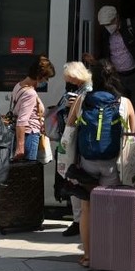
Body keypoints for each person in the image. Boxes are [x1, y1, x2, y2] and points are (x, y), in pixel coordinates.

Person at [67, 59, 135, 268]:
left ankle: (88, 256)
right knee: (110, 206)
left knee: (87, 207)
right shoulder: (124, 102)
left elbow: (70, 126)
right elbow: (132, 135)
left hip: (87, 161)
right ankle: (109, 252)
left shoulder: (82, 100)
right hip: (111, 161)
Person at [88, 5, 135, 161]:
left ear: (117, 18)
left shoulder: (133, 27)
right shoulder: (106, 34)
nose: (108, 27)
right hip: (117, 78)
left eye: (110, 23)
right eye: (105, 25)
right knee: (117, 113)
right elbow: (104, 54)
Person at [58, 61, 92, 237]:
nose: (70, 81)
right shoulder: (82, 89)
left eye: (71, 78)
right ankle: (79, 219)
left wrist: (73, 107)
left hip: (78, 138)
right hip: (77, 137)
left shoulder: (87, 90)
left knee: (75, 178)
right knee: (75, 178)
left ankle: (79, 220)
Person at [11, 54, 55, 161]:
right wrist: (20, 147)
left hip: (25, 135)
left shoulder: (19, 86)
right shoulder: (30, 93)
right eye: (46, 78)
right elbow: (22, 120)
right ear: (39, 76)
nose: (46, 82)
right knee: (29, 172)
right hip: (29, 135)